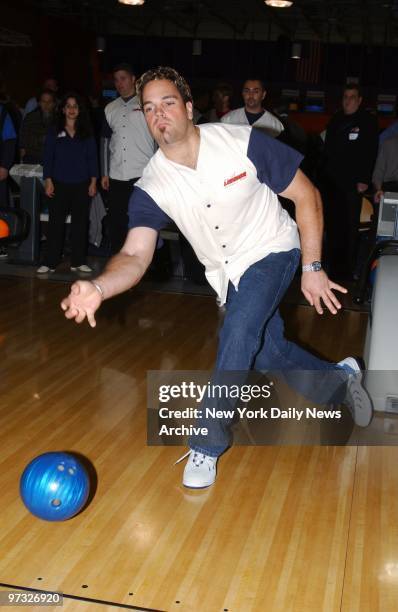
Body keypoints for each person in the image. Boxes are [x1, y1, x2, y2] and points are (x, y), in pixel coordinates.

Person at [61, 67, 373, 489]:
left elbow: (306, 194)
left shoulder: (242, 143)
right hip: (227, 274)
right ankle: (340, 381)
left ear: (189, 108)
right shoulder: (152, 183)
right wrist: (99, 286)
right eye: (149, 108)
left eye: (168, 103)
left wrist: (313, 267)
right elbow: (135, 253)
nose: (159, 115)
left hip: (273, 248)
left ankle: (206, 445)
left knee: (240, 329)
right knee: (264, 351)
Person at [320, 84, 378, 280]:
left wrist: (364, 179)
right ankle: (332, 268)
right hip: (332, 182)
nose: (348, 100)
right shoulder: (336, 119)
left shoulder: (367, 121)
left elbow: (370, 152)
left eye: (352, 97)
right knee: (333, 226)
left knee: (350, 228)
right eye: (345, 96)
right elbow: (326, 151)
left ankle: (347, 271)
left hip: (353, 183)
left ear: (360, 100)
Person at [38, 93, 98, 274]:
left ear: (80, 110)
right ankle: (50, 262)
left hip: (82, 184)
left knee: (80, 224)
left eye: (75, 106)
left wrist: (93, 180)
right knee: (56, 224)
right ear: (63, 109)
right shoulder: (54, 130)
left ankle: (78, 261)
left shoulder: (87, 131)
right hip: (59, 183)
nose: (72, 109)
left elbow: (92, 158)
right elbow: (48, 157)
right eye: (69, 106)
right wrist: (48, 180)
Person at [100, 63, 156, 254]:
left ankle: (143, 262)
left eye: (123, 78)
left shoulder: (147, 104)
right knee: (116, 221)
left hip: (142, 173)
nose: (119, 83)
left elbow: (159, 137)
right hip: (116, 174)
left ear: (133, 79)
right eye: (116, 80)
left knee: (140, 221)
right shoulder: (110, 108)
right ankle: (118, 261)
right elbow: (105, 142)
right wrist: (104, 173)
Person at [20, 89, 56, 164]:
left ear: (53, 104)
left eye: (49, 101)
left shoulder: (59, 120)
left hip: (54, 158)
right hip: (33, 158)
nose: (46, 104)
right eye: (43, 101)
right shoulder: (30, 117)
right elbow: (23, 138)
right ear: (39, 103)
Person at [372, 133, 398, 203]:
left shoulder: (388, 142)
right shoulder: (388, 143)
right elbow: (378, 170)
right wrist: (378, 189)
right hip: (388, 188)